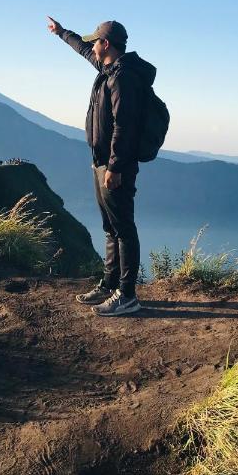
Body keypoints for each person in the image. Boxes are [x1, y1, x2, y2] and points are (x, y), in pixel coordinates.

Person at [47, 16, 156, 316]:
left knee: (123, 227)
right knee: (110, 226)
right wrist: (61, 33)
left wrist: (115, 168)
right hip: (102, 163)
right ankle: (109, 285)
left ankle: (127, 295)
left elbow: (125, 126)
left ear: (106, 44)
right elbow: (82, 49)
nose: (92, 45)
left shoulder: (122, 78)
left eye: (96, 40)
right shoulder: (108, 69)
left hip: (114, 167)